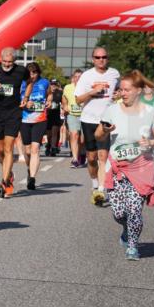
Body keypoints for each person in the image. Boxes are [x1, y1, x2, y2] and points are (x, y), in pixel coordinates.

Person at [95, 70, 154, 260]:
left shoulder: (151, 112)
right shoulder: (112, 110)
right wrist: (104, 129)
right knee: (119, 213)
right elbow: (97, 135)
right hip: (117, 167)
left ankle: (133, 246)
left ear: (138, 91)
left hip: (141, 167)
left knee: (134, 209)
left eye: (127, 90)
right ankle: (126, 229)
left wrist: (150, 143)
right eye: (121, 89)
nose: (123, 93)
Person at [74, 47, 120, 206]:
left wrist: (119, 94)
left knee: (103, 157)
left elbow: (120, 90)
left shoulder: (114, 74)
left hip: (106, 120)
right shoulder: (86, 76)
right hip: (88, 120)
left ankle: (101, 189)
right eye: (98, 57)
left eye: (104, 57)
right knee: (91, 158)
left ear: (107, 58)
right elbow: (78, 100)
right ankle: (94, 183)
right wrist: (92, 92)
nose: (101, 60)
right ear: (93, 59)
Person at [0, 47, 28, 198]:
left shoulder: (21, 70)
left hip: (14, 112)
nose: (7, 65)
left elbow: (30, 82)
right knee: (1, 150)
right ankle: (9, 174)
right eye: (5, 61)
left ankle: (4, 181)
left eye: (10, 62)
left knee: (8, 148)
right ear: (0, 59)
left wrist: (26, 97)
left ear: (14, 61)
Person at [18, 62, 52, 190]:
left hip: (40, 119)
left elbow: (49, 94)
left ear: (38, 72)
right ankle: (29, 168)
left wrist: (49, 100)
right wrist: (25, 104)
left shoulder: (44, 82)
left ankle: (32, 178)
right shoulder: (21, 83)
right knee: (27, 150)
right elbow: (16, 99)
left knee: (35, 149)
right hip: (25, 119)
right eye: (30, 73)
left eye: (35, 72)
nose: (32, 75)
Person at [62, 69, 84, 167]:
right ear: (73, 78)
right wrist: (65, 106)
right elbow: (64, 98)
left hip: (85, 115)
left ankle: (82, 153)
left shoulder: (87, 87)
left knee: (82, 140)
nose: (78, 79)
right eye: (76, 77)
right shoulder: (68, 87)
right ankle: (75, 159)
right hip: (72, 114)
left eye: (80, 77)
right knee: (74, 134)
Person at [45, 80, 64, 157]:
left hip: (56, 115)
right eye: (52, 84)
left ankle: (53, 148)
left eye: (55, 85)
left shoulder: (59, 93)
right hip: (47, 115)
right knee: (49, 134)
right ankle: (48, 146)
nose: (53, 86)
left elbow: (63, 101)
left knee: (55, 132)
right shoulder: (46, 92)